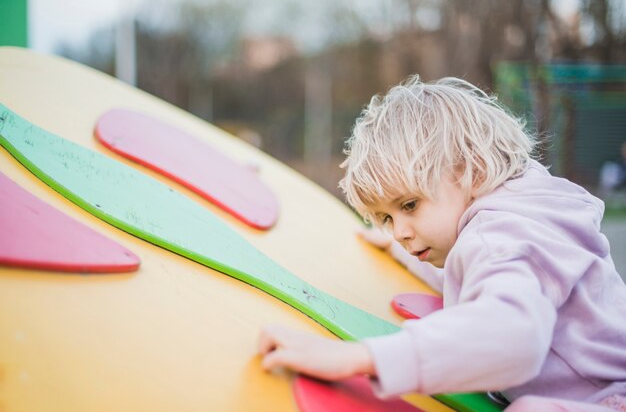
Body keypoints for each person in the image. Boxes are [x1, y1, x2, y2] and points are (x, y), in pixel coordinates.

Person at [257, 76, 626, 411]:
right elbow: (478, 271)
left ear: (472, 169)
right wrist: (408, 258)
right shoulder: (526, 209)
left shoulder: (500, 234)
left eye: (409, 205)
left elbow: (512, 336)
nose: (399, 231)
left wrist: (359, 357)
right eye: (387, 218)